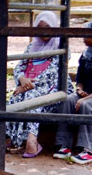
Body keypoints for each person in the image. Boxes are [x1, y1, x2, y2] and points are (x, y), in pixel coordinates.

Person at [6, 11, 74, 158]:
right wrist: (22, 79)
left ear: (55, 27)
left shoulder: (60, 47)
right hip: (30, 87)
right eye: (40, 27)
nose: (44, 31)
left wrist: (26, 86)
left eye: (48, 27)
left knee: (31, 97)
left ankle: (32, 140)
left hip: (54, 91)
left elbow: (50, 75)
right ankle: (12, 138)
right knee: (15, 98)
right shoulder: (32, 46)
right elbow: (19, 66)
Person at [54, 22, 92, 165]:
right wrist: (79, 90)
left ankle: (88, 150)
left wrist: (85, 99)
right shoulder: (86, 55)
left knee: (86, 106)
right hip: (85, 94)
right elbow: (80, 78)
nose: (83, 37)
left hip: (90, 98)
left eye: (87, 34)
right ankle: (63, 145)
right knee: (68, 100)